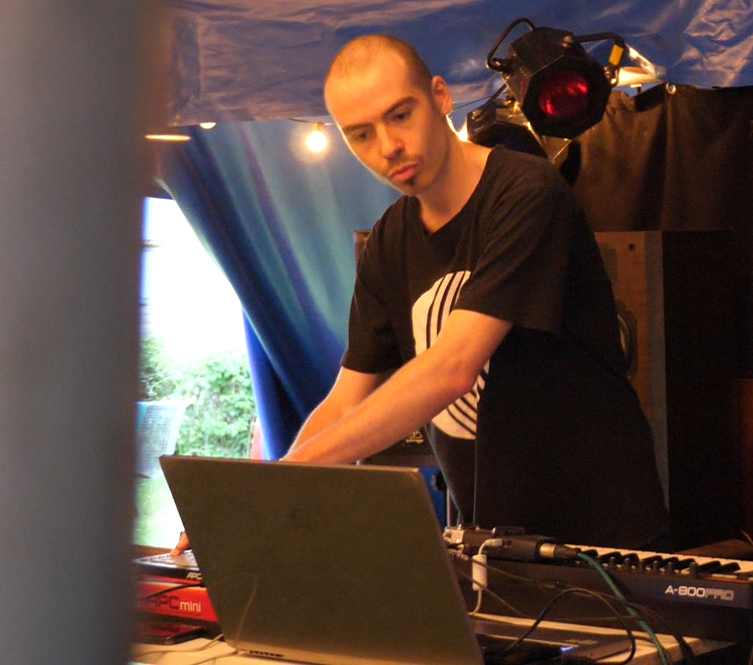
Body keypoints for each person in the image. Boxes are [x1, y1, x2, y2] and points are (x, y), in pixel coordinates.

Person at [282, 34, 668, 548]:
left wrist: (293, 471)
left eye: (400, 115)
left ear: (441, 97)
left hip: (600, 537)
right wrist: (259, 494)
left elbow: (452, 368)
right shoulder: (388, 242)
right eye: (362, 135)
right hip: (489, 538)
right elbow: (347, 399)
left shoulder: (526, 192)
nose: (388, 146)